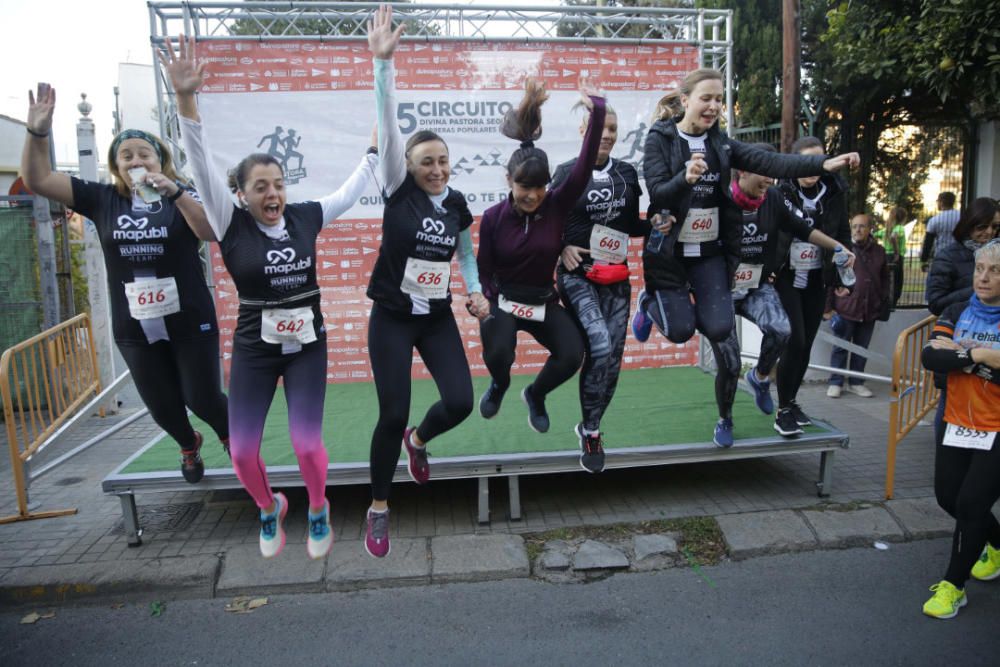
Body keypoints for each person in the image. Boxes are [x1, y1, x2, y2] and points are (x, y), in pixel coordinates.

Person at [165, 35, 377, 559]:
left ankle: (320, 507)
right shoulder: (228, 221)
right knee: (241, 452)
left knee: (306, 444)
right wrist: (186, 103)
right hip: (255, 351)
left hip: (307, 346)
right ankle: (269, 507)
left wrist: (377, 141)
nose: (272, 194)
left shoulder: (305, 216)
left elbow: (355, 185)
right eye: (260, 186)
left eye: (278, 184)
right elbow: (199, 157)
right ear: (240, 193)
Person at [20, 83, 229, 485]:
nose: (136, 160)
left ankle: (236, 442)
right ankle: (188, 443)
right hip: (134, 326)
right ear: (116, 165)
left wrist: (179, 193)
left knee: (201, 397)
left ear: (161, 161)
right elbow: (38, 178)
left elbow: (210, 231)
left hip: (189, 320)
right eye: (126, 154)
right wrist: (38, 132)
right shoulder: (101, 198)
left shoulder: (178, 195)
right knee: (164, 407)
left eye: (144, 153)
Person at [364, 5, 488, 558]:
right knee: (391, 410)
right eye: (424, 163)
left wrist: (475, 288)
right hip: (392, 317)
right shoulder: (397, 187)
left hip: (435, 317)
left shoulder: (457, 201)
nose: (435, 169)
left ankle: (420, 441)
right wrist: (383, 66)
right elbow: (388, 124)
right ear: (408, 167)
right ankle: (379, 507)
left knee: (460, 401)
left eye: (441, 161)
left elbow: (464, 250)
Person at [631, 71, 859, 356]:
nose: (714, 106)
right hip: (671, 251)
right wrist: (685, 178)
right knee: (680, 330)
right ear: (685, 100)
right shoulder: (661, 139)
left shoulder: (720, 142)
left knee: (718, 328)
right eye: (706, 98)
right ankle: (648, 302)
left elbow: (771, 162)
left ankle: (689, 306)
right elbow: (658, 192)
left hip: (708, 252)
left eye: (718, 99)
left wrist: (822, 164)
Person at [476, 76, 605, 439]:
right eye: (523, 186)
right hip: (505, 300)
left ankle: (535, 394)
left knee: (571, 354)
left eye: (539, 186)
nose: (532, 195)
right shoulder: (492, 219)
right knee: (499, 351)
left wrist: (597, 112)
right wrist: (488, 302)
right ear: (509, 181)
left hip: (543, 300)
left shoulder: (557, 206)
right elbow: (484, 270)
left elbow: (582, 167)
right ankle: (499, 385)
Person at [708, 145, 854, 446]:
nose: (771, 181)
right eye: (765, 174)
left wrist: (836, 247)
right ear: (744, 170)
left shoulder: (773, 198)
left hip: (756, 286)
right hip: (721, 291)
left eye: (774, 175)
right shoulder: (719, 198)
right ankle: (725, 419)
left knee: (783, 330)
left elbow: (803, 228)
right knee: (730, 362)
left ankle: (761, 378)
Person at [555, 100, 650, 472]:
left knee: (611, 360)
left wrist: (656, 223)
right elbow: (548, 224)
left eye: (612, 128)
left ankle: (590, 429)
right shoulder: (565, 173)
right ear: (584, 132)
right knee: (599, 342)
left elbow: (631, 224)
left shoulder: (626, 173)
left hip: (616, 277)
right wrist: (560, 248)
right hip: (577, 275)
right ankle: (591, 430)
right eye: (600, 127)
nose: (607, 134)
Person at [919, 239, 1000, 620]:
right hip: (956, 420)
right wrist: (982, 356)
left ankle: (953, 586)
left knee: (971, 505)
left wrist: (960, 357)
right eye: (980, 269)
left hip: (997, 427)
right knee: (948, 499)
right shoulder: (957, 307)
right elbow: (931, 355)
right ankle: (995, 543)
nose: (983, 278)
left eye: (995, 271)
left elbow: (948, 354)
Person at [772, 136, 854, 437]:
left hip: (818, 276)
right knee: (794, 341)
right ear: (794, 163)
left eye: (817, 162)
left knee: (806, 344)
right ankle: (782, 410)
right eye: (805, 162)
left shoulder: (833, 191)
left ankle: (793, 402)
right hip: (785, 277)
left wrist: (842, 275)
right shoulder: (780, 190)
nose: (811, 168)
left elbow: (842, 232)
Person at [924, 197, 1000, 444]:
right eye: (982, 226)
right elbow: (935, 301)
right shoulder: (949, 256)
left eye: (995, 227)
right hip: (957, 358)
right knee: (948, 421)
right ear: (969, 224)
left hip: (991, 376)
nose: (988, 232)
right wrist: (976, 292)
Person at [825, 214, 888, 399]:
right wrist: (827, 308)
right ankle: (835, 382)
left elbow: (885, 279)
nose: (858, 230)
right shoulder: (842, 250)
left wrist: (882, 301)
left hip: (869, 309)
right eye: (854, 226)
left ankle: (856, 382)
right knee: (840, 347)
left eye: (862, 226)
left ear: (870, 229)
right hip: (845, 308)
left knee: (862, 348)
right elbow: (830, 280)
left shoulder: (879, 251)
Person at [920, 191, 960, 271]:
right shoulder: (961, 217)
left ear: (941, 202)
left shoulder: (935, 220)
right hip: (958, 256)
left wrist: (924, 260)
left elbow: (928, 242)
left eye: (937, 201)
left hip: (941, 256)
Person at [878, 206, 908, 307]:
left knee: (887, 280)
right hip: (896, 257)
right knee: (897, 281)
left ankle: (886, 302)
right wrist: (896, 252)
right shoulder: (899, 228)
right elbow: (893, 237)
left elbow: (873, 234)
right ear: (903, 218)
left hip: (886, 256)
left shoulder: (886, 230)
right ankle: (892, 303)